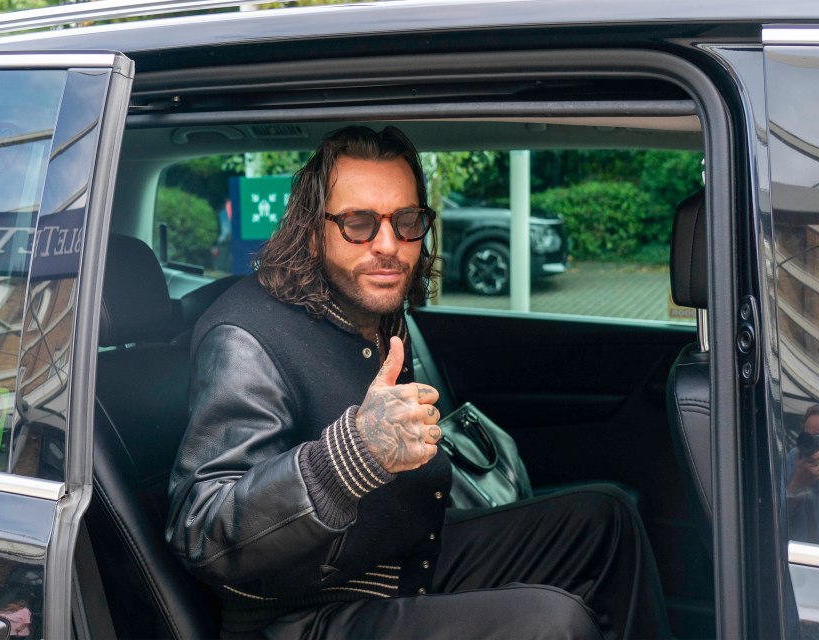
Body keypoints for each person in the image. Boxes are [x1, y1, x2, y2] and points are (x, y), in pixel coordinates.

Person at [166, 125, 669, 639]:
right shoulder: (246, 339)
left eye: (407, 221)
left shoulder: (370, 304)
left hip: (406, 562)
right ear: (312, 230)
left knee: (605, 518)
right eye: (359, 223)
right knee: (552, 624)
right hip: (305, 613)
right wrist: (350, 456)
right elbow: (204, 533)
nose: (390, 246)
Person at [785, 404, 819, 542]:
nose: (815, 444)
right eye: (809, 438)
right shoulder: (795, 458)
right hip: (798, 557)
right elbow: (773, 519)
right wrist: (797, 483)